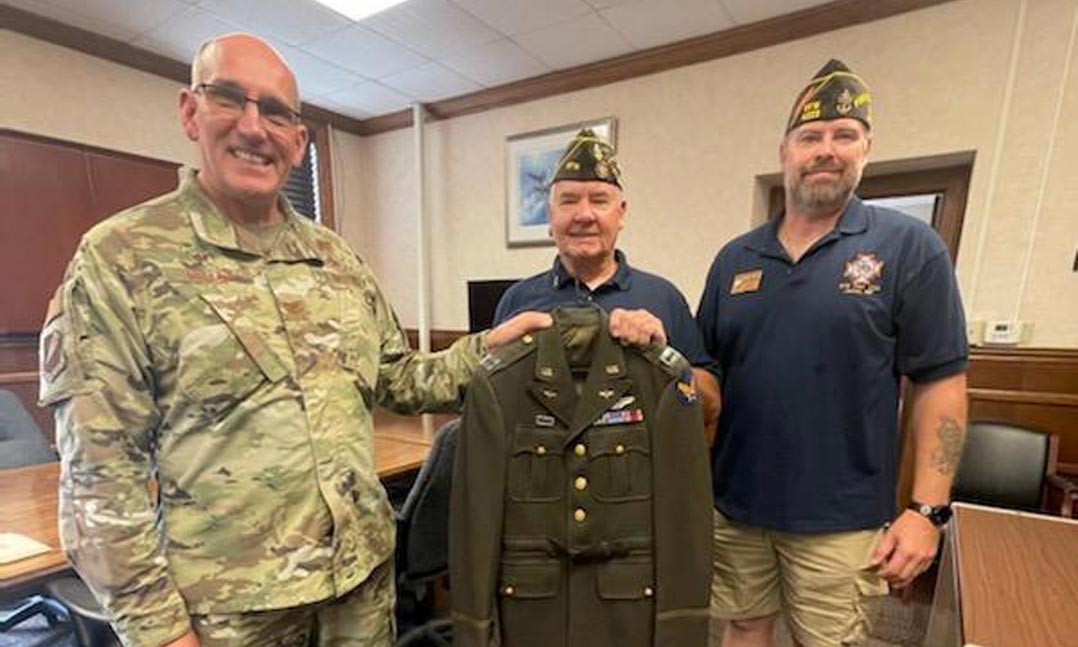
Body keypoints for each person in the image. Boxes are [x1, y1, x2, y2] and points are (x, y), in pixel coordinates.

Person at [37, 34, 661, 647]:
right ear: (190, 112)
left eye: (276, 111)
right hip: (231, 611)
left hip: (358, 591)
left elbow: (399, 378)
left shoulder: (335, 260)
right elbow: (98, 477)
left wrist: (487, 348)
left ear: (298, 139)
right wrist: (159, 631)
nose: (254, 127)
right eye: (230, 98)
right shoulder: (121, 259)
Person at [696, 59, 969, 647]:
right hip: (737, 503)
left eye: (844, 136)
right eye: (810, 137)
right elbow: (706, 379)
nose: (826, 149)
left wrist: (927, 511)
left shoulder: (908, 247)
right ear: (785, 151)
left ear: (865, 151)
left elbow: (941, 382)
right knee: (742, 627)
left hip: (841, 516)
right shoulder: (735, 260)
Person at [494, 129, 721, 440]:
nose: (584, 215)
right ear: (550, 215)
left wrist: (663, 358)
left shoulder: (663, 297)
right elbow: (490, 410)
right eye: (569, 201)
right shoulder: (517, 301)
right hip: (536, 481)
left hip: (636, 483)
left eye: (599, 201)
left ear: (621, 214)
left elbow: (710, 406)